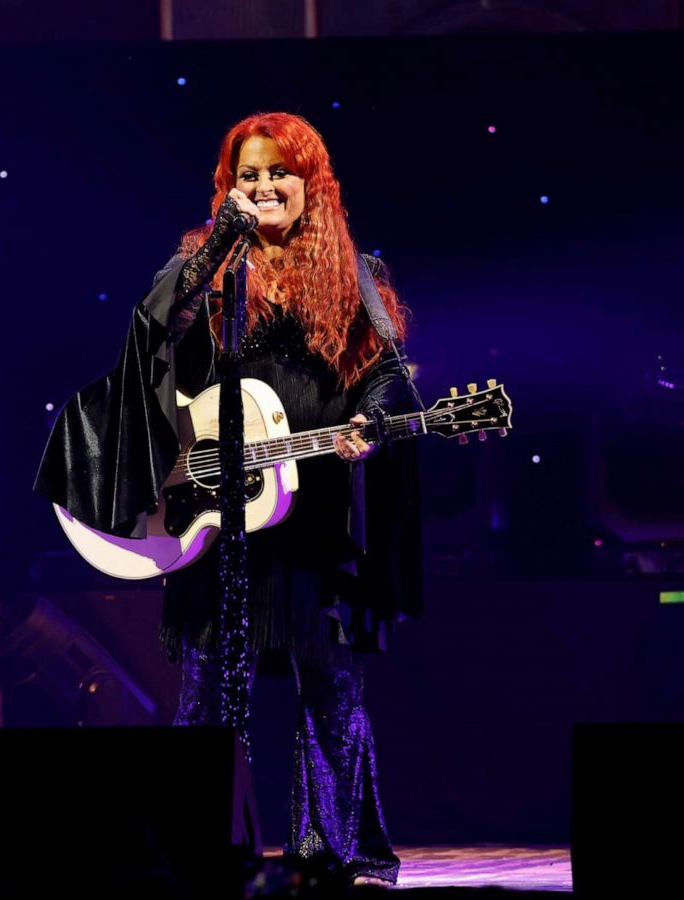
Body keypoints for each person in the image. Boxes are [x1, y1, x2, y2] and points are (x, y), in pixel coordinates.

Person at [35, 112, 422, 887]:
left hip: (314, 517)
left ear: (311, 182)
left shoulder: (356, 271)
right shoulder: (203, 266)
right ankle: (197, 848)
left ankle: (336, 855)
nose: (264, 186)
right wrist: (218, 244)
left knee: (330, 688)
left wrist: (372, 422)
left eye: (279, 172)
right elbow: (153, 335)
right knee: (211, 687)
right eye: (248, 174)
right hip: (215, 512)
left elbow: (388, 371)